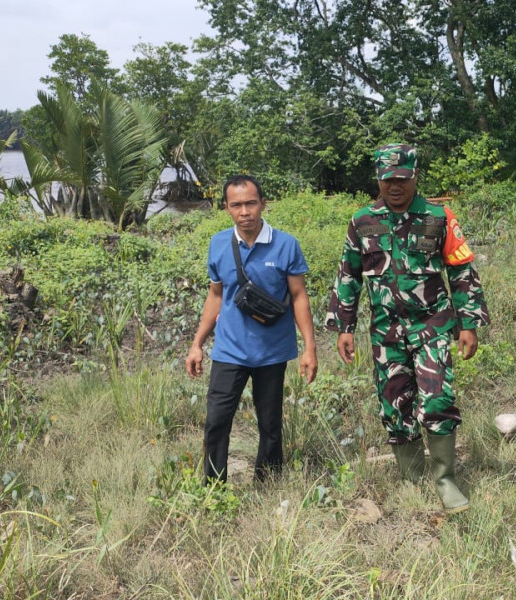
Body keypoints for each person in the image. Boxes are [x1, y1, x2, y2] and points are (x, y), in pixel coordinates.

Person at [325, 143, 490, 513]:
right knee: (394, 404)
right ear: (378, 179)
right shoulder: (362, 221)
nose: (394, 186)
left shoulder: (438, 217)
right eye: (387, 179)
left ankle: (445, 480)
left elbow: (461, 271)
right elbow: (348, 275)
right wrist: (344, 327)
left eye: (402, 178)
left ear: (415, 176)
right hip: (386, 331)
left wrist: (469, 323)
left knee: (438, 399)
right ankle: (411, 478)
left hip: (432, 325)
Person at [185, 174, 318, 483]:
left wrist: (309, 348)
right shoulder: (219, 244)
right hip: (229, 350)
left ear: (263, 204)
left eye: (251, 203)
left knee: (270, 423)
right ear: (226, 208)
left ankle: (267, 483)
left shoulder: (286, 245)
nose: (244, 212)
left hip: (272, 351)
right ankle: (214, 487)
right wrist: (197, 344)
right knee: (216, 421)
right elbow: (215, 296)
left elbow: (299, 296)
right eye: (236, 205)